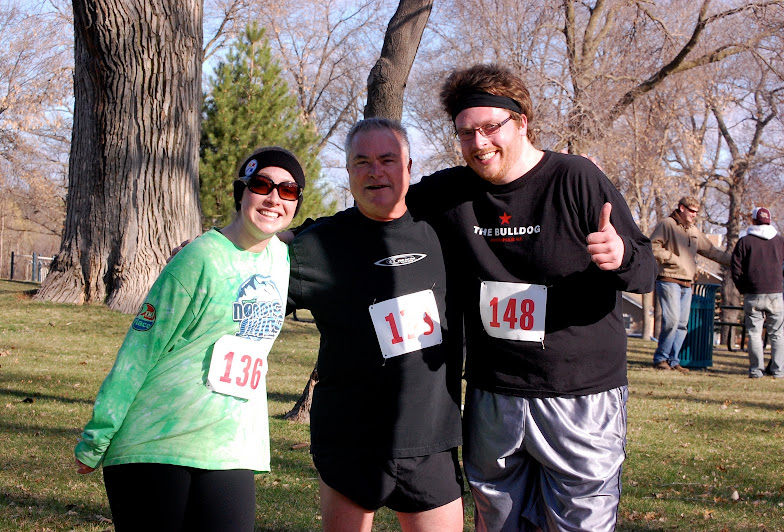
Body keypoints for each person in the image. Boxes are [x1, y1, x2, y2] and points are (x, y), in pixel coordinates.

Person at [405, 63, 657, 532]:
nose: (478, 143)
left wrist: (620, 255)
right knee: (497, 523)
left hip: (580, 395)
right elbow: (378, 208)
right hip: (493, 395)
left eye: (490, 127)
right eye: (466, 132)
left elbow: (646, 270)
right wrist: (282, 237)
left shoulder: (576, 178)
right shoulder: (451, 192)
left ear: (521, 122)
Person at [74, 146, 305, 531]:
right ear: (241, 192)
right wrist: (98, 436)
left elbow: (337, 227)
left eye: (288, 190)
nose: (274, 198)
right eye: (262, 185)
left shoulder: (282, 260)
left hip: (231, 449)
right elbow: (139, 351)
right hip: (157, 441)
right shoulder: (199, 258)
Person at [287, 118, 464, 532]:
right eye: (361, 162)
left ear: (409, 166)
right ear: (348, 171)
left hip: (430, 443)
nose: (375, 171)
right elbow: (245, 285)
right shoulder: (318, 245)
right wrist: (217, 246)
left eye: (387, 159)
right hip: (349, 443)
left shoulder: (445, 231)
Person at [650, 196, 731, 373]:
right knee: (671, 321)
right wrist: (671, 259)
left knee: (682, 324)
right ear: (681, 208)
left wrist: (735, 261)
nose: (694, 215)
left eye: (696, 212)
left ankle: (673, 360)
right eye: (691, 211)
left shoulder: (694, 231)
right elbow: (653, 246)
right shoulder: (667, 224)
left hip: (687, 283)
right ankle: (661, 358)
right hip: (669, 279)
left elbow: (711, 251)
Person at [731, 207, 784, 379]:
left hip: (753, 293)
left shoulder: (745, 242)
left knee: (754, 333)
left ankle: (756, 370)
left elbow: (735, 268)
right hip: (775, 292)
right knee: (777, 334)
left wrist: (743, 288)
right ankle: (778, 371)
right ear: (769, 221)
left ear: (753, 221)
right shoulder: (779, 241)